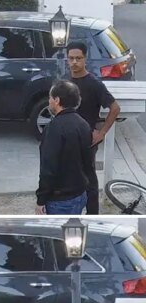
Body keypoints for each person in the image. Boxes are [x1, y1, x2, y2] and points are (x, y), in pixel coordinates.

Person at [65, 41, 121, 214]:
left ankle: (92, 213)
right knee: (68, 176)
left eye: (78, 58)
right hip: (67, 137)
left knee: (88, 178)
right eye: (71, 58)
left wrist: (102, 132)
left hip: (88, 139)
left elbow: (115, 107)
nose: (74, 62)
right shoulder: (65, 81)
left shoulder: (94, 84)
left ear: (85, 59)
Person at [36, 80, 95, 215]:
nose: (49, 101)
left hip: (60, 200)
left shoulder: (54, 128)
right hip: (80, 194)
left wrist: (41, 200)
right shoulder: (83, 124)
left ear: (57, 100)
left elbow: (48, 168)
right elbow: (88, 162)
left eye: (50, 98)